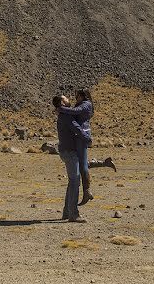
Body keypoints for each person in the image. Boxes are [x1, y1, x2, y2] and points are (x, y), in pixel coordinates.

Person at [56, 88, 95, 205]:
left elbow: (75, 111)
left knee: (82, 164)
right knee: (81, 162)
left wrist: (61, 108)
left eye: (77, 96)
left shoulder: (86, 104)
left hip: (82, 136)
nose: (75, 98)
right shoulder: (82, 104)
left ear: (83, 95)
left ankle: (87, 191)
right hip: (80, 136)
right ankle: (85, 192)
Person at [52, 94, 87, 223]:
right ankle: (73, 214)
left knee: (72, 181)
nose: (68, 99)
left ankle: (67, 212)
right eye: (65, 98)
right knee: (74, 182)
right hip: (69, 152)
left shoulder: (63, 114)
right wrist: (86, 137)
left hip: (65, 151)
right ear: (62, 101)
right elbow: (75, 127)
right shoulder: (65, 115)